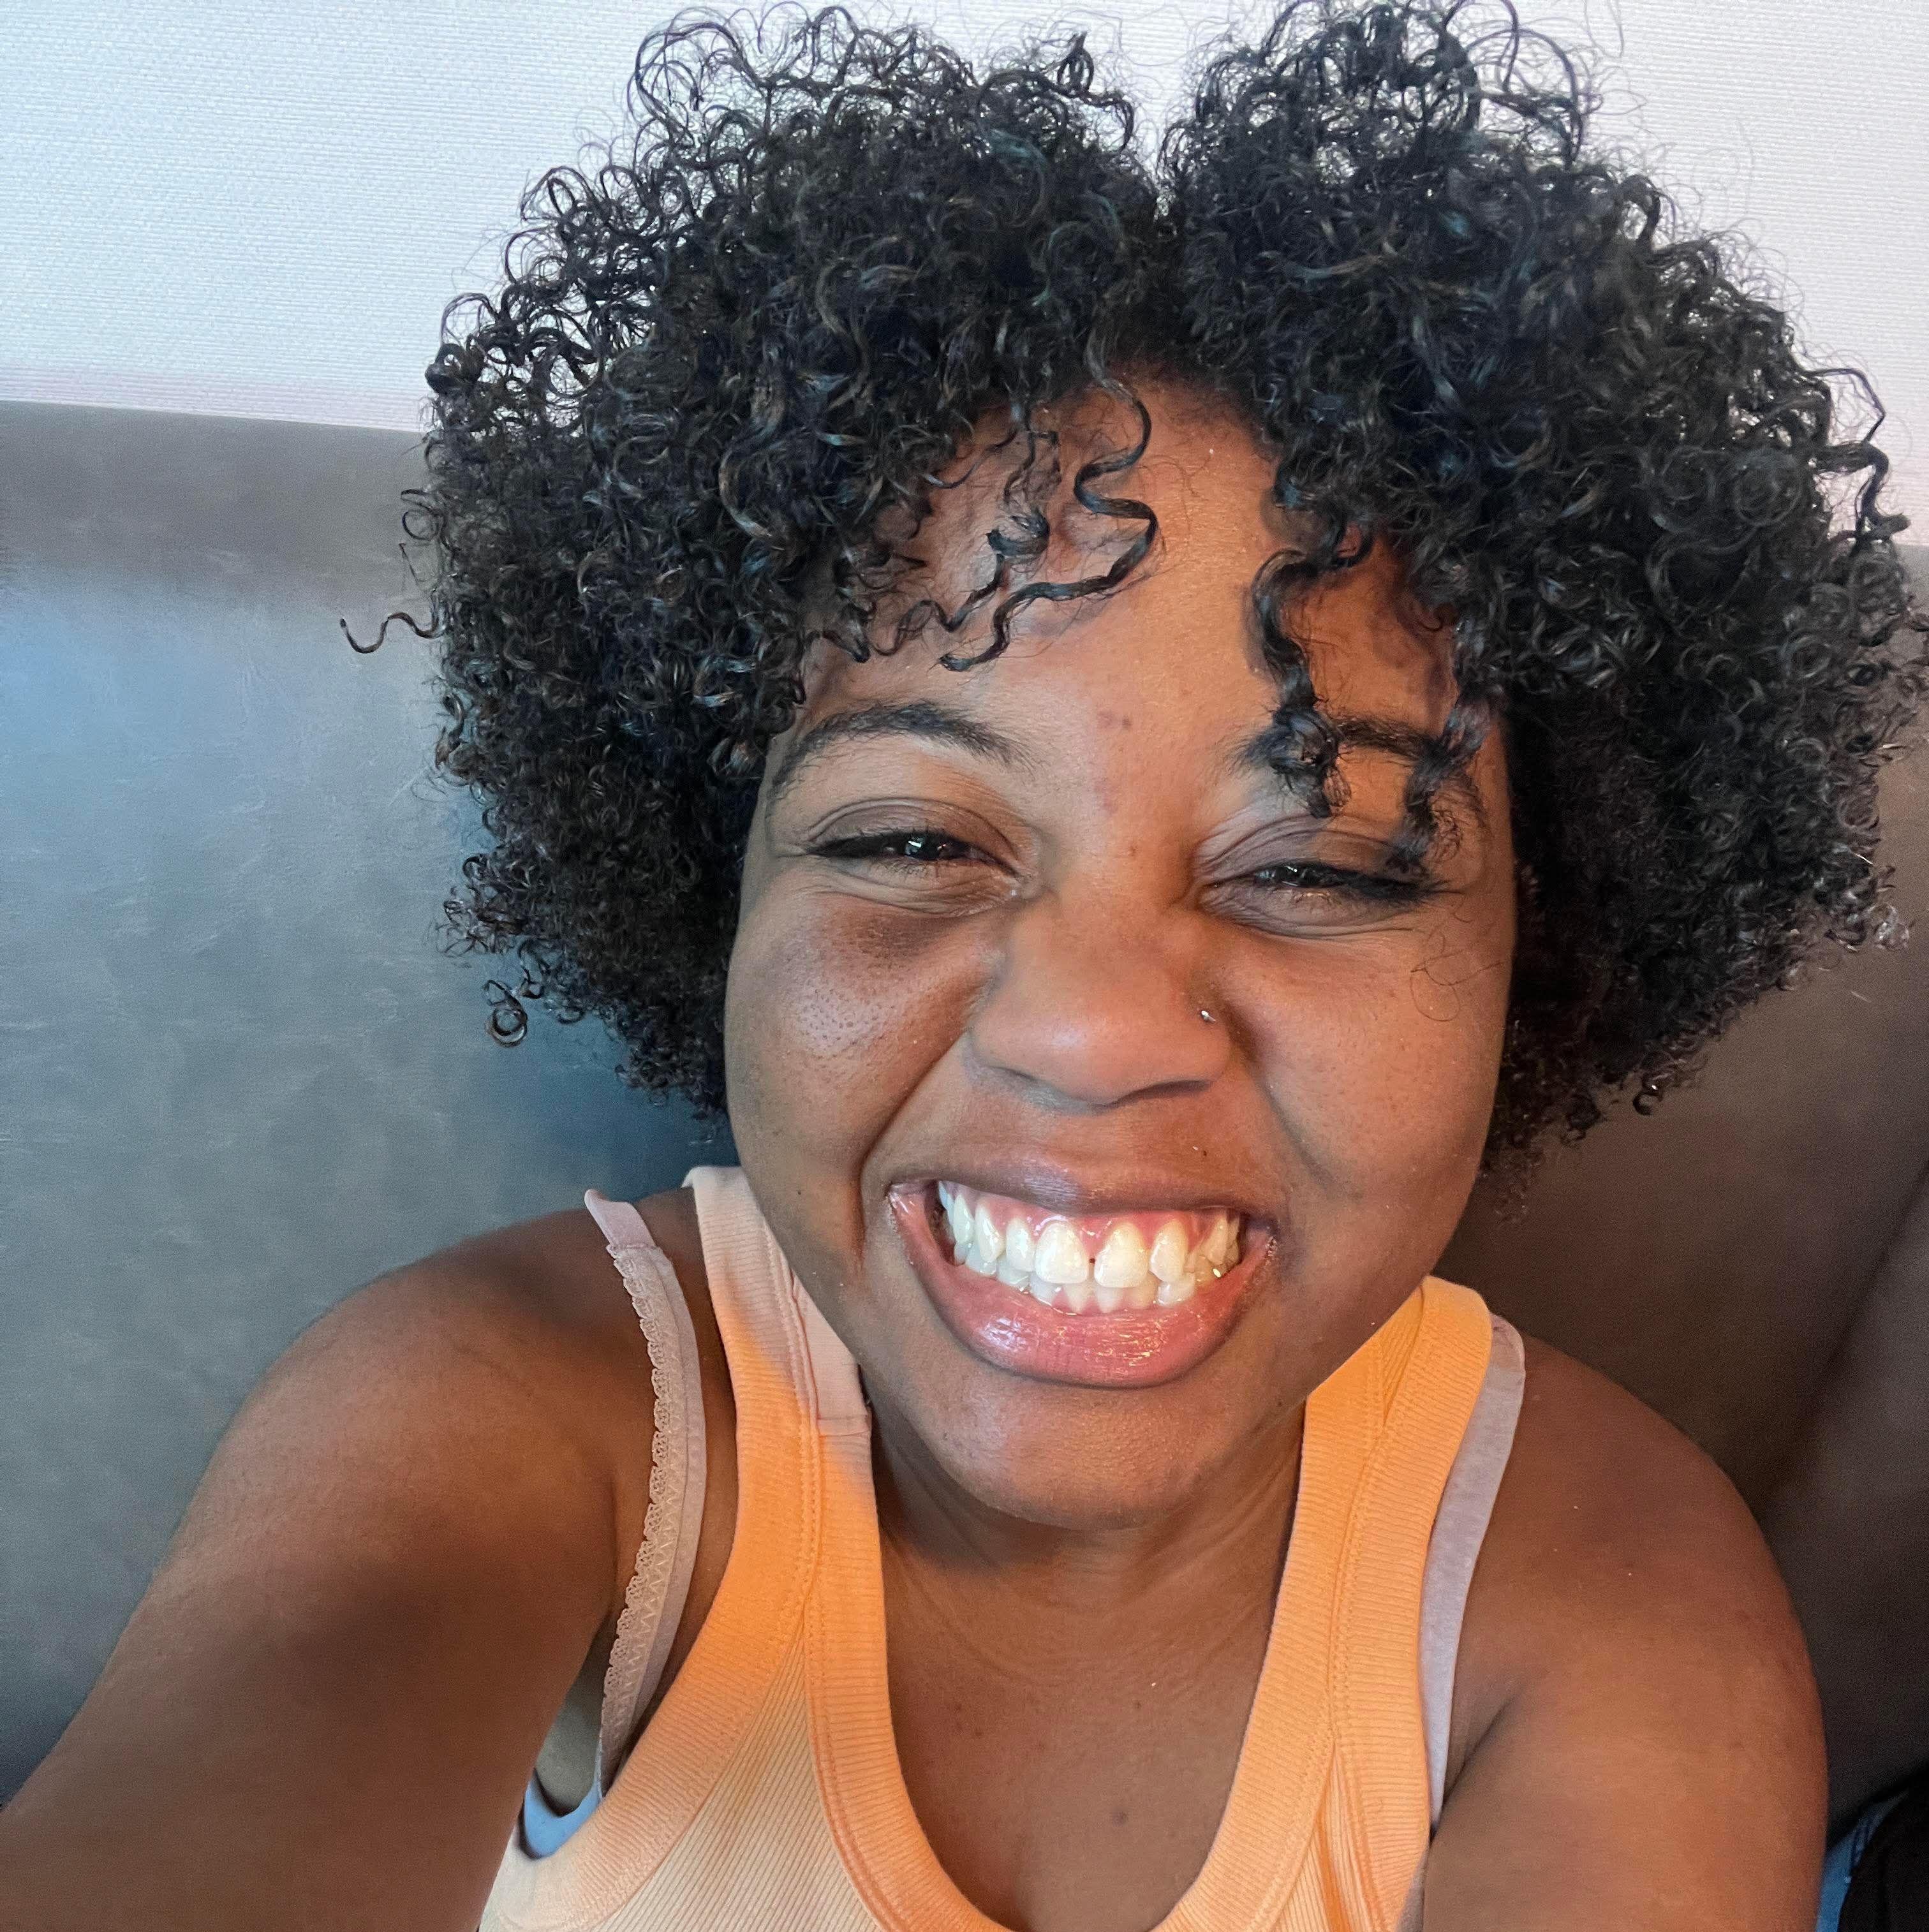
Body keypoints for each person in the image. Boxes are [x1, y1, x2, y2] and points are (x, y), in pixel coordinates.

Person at [3, 3, 1923, 1927]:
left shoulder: (1613, 1602)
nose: (1090, 1031)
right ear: (720, 897)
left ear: (1543, 954)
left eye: (1319, 864)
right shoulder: (505, 1422)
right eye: (914, 842)